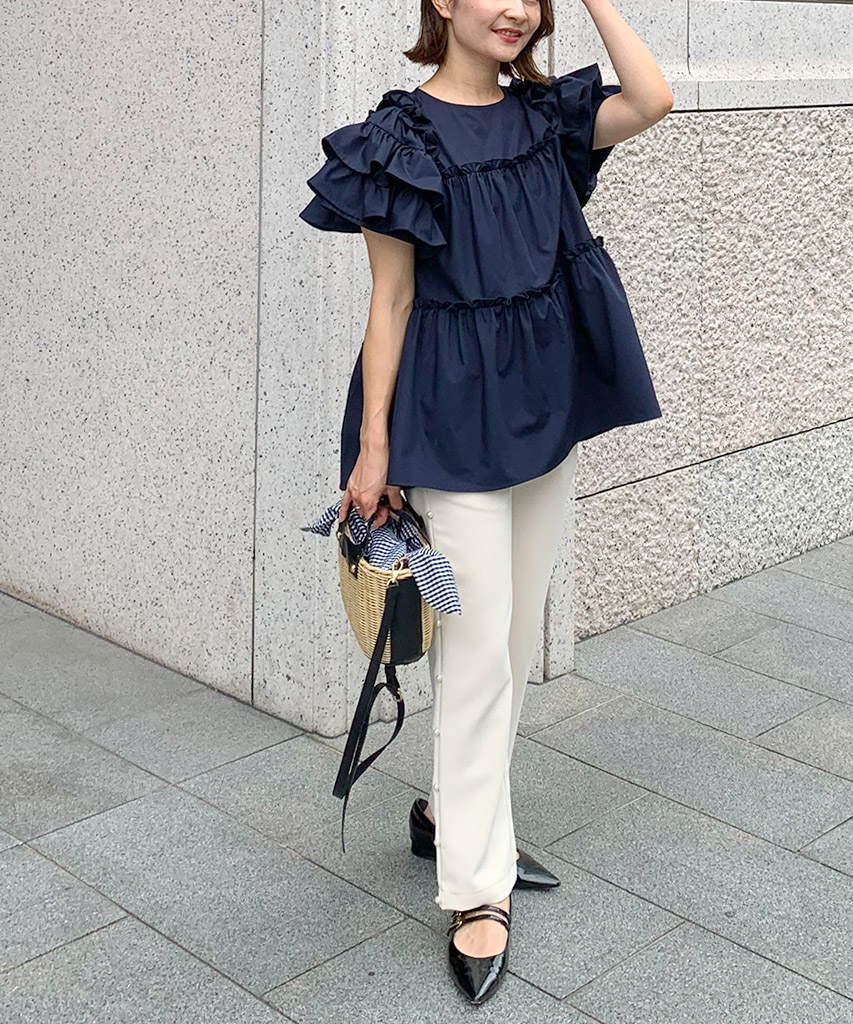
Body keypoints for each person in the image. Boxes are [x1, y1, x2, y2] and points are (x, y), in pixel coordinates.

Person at [298, 0, 672, 1005]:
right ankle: (475, 887)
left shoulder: (544, 116)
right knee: (472, 659)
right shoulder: (398, 138)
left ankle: (451, 819)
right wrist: (374, 448)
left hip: (543, 404)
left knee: (506, 647)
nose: (516, 8)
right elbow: (390, 299)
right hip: (450, 418)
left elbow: (651, 98)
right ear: (441, 2)